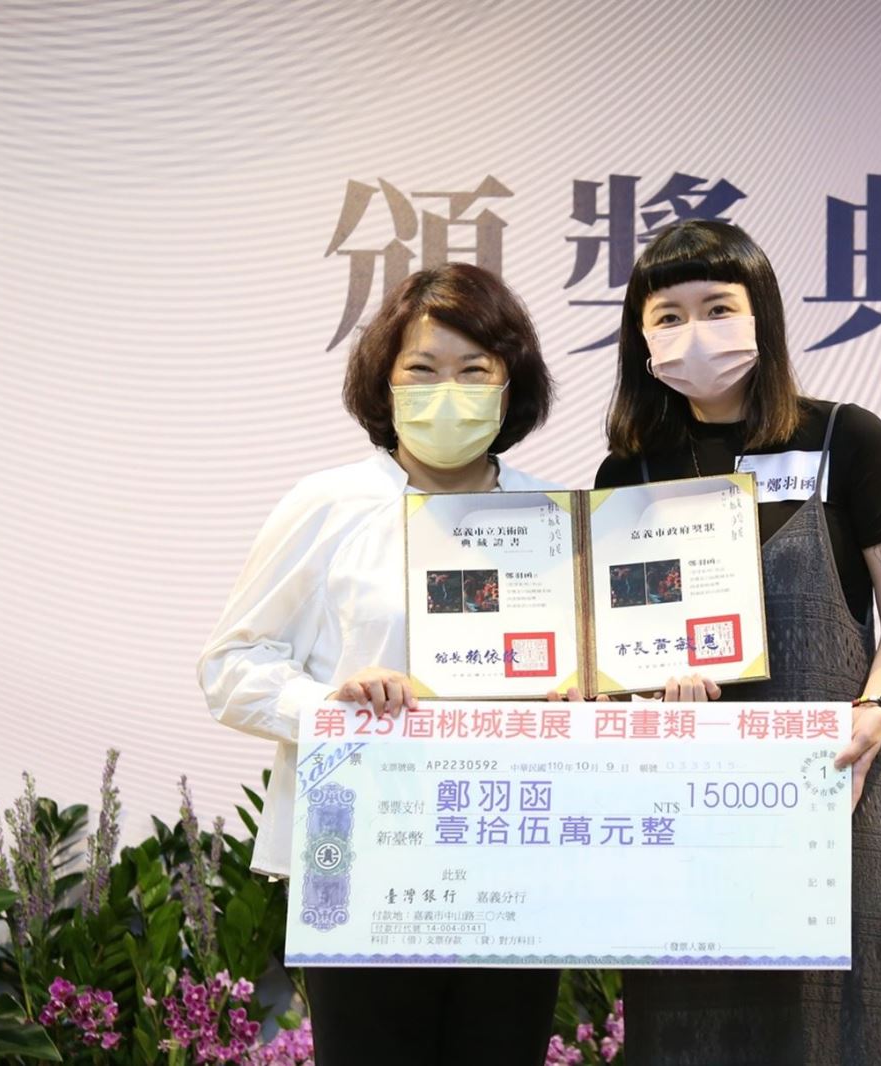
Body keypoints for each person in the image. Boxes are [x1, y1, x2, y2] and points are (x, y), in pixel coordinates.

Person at [197, 263, 561, 1066]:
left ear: (511, 385)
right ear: (384, 382)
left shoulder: (552, 514)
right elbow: (230, 666)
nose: (448, 392)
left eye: (474, 370)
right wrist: (335, 707)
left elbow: (591, 680)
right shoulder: (327, 504)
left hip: (513, 856)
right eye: (422, 369)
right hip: (364, 856)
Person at [594, 220, 881, 1064]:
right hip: (680, 806)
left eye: (717, 308)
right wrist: (648, 689)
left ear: (762, 317)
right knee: (685, 1032)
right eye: (667, 316)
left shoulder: (846, 439)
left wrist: (876, 710)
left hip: (825, 785)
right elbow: (620, 652)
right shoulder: (629, 473)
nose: (693, 332)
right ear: (641, 338)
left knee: (827, 1031)